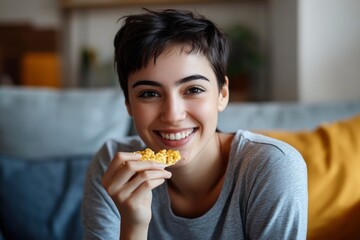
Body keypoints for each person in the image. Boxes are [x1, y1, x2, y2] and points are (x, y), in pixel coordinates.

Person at [82, 8, 308, 240]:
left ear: (222, 94)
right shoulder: (113, 165)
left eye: (193, 90)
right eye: (149, 93)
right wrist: (134, 225)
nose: (172, 115)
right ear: (128, 104)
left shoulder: (271, 167)